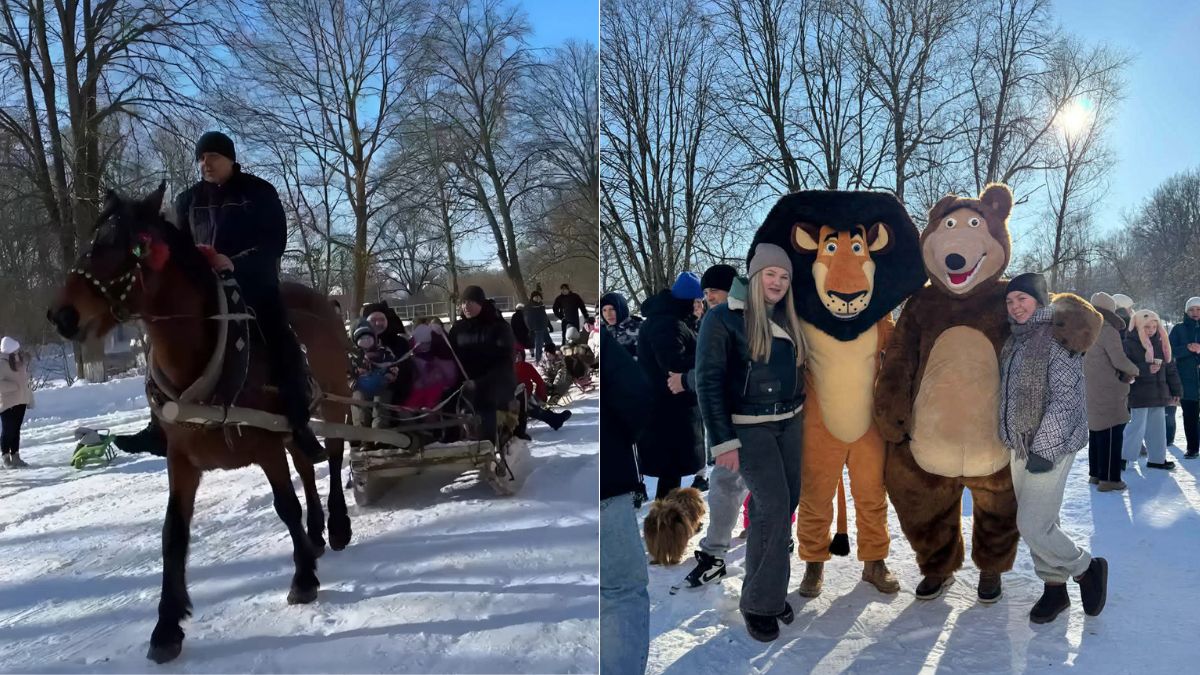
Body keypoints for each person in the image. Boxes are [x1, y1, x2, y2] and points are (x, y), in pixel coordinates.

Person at [117, 131, 327, 462]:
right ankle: (157, 426)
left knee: (279, 339)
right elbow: (176, 248)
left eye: (212, 157)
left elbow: (274, 243)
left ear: (230, 158)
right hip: (205, 292)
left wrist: (235, 263)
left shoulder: (258, 192)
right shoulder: (188, 200)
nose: (206, 163)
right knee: (163, 340)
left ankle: (299, 423)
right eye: (201, 158)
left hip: (255, 285)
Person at [694, 244, 805, 642]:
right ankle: (759, 603)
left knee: (780, 507)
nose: (777, 282)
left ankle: (767, 590)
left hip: (790, 421)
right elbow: (707, 380)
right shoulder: (724, 317)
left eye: (784, 276)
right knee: (772, 506)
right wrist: (722, 441)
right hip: (748, 426)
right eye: (770, 274)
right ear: (755, 276)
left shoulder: (790, 315)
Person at [998, 273, 1107, 624]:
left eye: (1022, 299)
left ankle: (1086, 568)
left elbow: (1065, 400)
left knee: (1032, 524)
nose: (1016, 306)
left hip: (1051, 446)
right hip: (1020, 443)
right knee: (1045, 520)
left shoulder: (1059, 337)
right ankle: (1054, 588)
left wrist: (1044, 449)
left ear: (1040, 300)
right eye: (1010, 300)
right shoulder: (1016, 339)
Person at [675, 275, 751, 593]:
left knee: (727, 486)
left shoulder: (733, 320)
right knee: (735, 486)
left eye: (714, 290)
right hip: (731, 419)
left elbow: (721, 372)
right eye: (705, 292)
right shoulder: (718, 318)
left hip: (741, 420)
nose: (709, 297)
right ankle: (718, 552)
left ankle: (715, 555)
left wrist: (686, 379)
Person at [599, 327, 653, 675]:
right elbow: (637, 394)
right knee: (621, 590)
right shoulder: (604, 341)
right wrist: (622, 438)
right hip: (608, 477)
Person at [637, 272, 705, 500]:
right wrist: (707, 358)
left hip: (668, 408)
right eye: (697, 301)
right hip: (669, 410)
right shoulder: (668, 324)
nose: (699, 306)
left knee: (671, 474)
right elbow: (673, 364)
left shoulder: (669, 320)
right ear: (688, 301)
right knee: (670, 472)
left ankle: (666, 516)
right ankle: (663, 518)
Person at [1084, 293, 1141, 491]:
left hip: (1090, 386)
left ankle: (1095, 474)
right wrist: (1135, 370)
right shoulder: (1107, 329)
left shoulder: (1086, 327)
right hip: (1108, 388)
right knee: (1111, 433)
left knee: (1096, 432)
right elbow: (1119, 359)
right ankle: (1110, 479)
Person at [448, 286, 518, 443]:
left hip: (494, 381)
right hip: (463, 382)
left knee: (484, 406)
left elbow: (504, 362)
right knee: (446, 401)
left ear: (481, 303)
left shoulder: (498, 327)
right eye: (463, 302)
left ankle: (489, 444)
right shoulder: (458, 329)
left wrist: (479, 383)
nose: (466, 306)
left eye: (471, 302)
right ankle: (447, 443)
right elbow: (449, 354)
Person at [1122, 309, 1183, 470]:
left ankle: (1157, 459)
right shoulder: (1129, 344)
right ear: (1138, 326)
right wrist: (1145, 368)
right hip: (1139, 393)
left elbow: (1171, 368)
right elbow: (1124, 369)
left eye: (1154, 327)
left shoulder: (1162, 343)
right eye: (1147, 327)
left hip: (1159, 393)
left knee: (1158, 428)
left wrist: (1176, 391)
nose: (1151, 330)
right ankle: (1123, 457)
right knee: (1137, 426)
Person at [349, 322, 400, 430]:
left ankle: (379, 430)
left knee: (380, 408)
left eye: (368, 337)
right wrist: (352, 381)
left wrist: (389, 375)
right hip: (360, 386)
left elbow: (393, 364)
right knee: (359, 405)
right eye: (362, 338)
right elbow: (347, 371)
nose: (366, 341)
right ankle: (361, 432)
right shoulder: (353, 355)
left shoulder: (384, 351)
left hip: (381, 384)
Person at [1168, 297, 1200, 458]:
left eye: (1198, 309)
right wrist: (1187, 348)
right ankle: (1192, 448)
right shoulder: (1178, 329)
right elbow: (1169, 351)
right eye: (1191, 310)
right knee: (1190, 416)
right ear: (1186, 312)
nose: (1195, 312)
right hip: (1186, 380)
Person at [403, 322, 461, 410]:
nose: (425, 345)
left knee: (427, 398)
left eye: (427, 343)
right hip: (433, 384)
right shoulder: (420, 359)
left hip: (433, 385)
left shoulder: (434, 359)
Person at [513, 347, 572, 434]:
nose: (517, 357)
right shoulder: (506, 369)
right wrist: (540, 397)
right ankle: (555, 420)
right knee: (530, 408)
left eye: (518, 354)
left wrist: (540, 396)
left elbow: (539, 382)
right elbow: (539, 382)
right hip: (512, 400)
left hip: (521, 398)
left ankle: (555, 420)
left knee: (530, 406)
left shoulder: (524, 366)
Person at [1, 337, 33, 468]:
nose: (18, 351)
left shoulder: (19, 361)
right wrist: (13, 387)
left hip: (21, 400)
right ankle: (5, 456)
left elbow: (24, 381)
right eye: (16, 349)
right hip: (7, 402)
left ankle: (15, 455)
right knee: (8, 430)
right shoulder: (1, 363)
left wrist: (29, 398)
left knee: (16, 430)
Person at [600, 292, 642, 358]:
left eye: (612, 309)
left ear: (621, 308)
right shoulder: (602, 331)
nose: (608, 314)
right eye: (604, 310)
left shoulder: (641, 329)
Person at [523, 291, 554, 362]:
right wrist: (531, 329)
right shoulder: (529, 306)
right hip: (537, 329)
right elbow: (527, 319)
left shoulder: (541, 305)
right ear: (532, 298)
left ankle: (550, 357)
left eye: (539, 297)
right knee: (539, 345)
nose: (537, 298)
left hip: (544, 327)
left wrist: (549, 325)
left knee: (549, 343)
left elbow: (545, 316)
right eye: (536, 297)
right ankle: (538, 360)